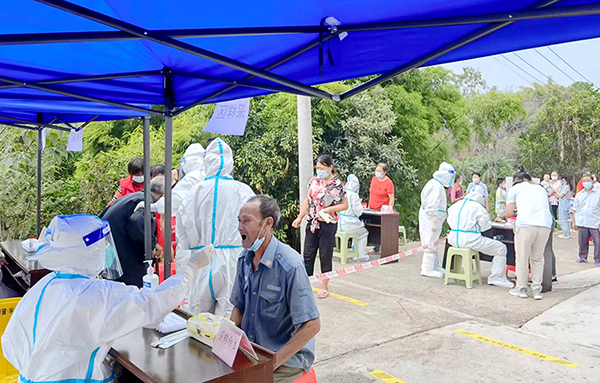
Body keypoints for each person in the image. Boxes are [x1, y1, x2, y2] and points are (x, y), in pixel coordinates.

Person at [2, 214, 213, 383]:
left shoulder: (46, 284)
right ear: (89, 251)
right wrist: (190, 269)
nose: (106, 251)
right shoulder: (97, 294)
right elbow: (154, 304)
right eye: (103, 246)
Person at [232, 196, 320, 383]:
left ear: (268, 224)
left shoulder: (290, 265)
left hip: (285, 361)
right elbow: (238, 308)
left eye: (246, 221)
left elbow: (312, 325)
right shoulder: (244, 260)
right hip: (253, 353)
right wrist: (228, 342)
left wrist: (272, 363)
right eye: (239, 221)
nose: (240, 227)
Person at [178, 138, 255, 317]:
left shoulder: (195, 191)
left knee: (198, 319)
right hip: (232, 262)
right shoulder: (243, 190)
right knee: (229, 320)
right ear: (230, 162)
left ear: (206, 161)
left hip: (201, 260)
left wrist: (190, 245)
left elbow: (183, 228)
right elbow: (255, 228)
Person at [292, 155, 348, 299]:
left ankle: (324, 286)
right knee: (308, 254)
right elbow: (307, 200)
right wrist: (300, 217)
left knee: (325, 255)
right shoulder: (314, 181)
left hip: (327, 223)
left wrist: (329, 210)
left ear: (330, 168)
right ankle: (306, 284)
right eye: (318, 168)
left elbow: (344, 205)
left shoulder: (337, 184)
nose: (319, 171)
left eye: (322, 168)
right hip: (312, 222)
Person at [100, 176, 165, 287]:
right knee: (130, 288)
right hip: (123, 252)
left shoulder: (132, 197)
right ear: (163, 196)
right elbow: (137, 221)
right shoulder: (145, 202)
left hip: (110, 247)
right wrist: (152, 244)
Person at [151, 143, 207, 265]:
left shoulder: (191, 178)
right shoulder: (215, 178)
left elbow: (170, 203)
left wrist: (151, 206)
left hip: (192, 241)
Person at [447, 190, 514, 288]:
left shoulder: (455, 206)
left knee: (474, 246)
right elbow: (485, 226)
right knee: (501, 248)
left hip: (453, 239)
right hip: (470, 240)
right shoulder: (477, 207)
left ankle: (466, 270)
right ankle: (497, 278)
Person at [505, 172, 552, 300]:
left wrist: (505, 215)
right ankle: (537, 289)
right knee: (537, 259)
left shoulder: (515, 189)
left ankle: (521, 288)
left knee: (522, 258)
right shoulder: (540, 189)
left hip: (526, 225)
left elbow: (509, 213)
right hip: (545, 225)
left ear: (516, 181)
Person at [419, 162, 455, 278]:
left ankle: (434, 266)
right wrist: (434, 221)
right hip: (431, 219)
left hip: (434, 219)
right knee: (429, 243)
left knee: (433, 243)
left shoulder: (436, 184)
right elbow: (432, 206)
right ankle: (427, 269)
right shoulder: (435, 186)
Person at [339, 174, 369, 262]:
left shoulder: (341, 192)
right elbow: (359, 212)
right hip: (350, 223)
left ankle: (355, 252)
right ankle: (360, 255)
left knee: (358, 231)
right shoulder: (353, 195)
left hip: (340, 223)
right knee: (363, 233)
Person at [572, 176, 600, 265]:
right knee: (582, 241)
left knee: (598, 242)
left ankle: (598, 259)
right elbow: (575, 209)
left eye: (588, 180)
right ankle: (582, 257)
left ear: (592, 181)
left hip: (595, 222)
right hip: (582, 221)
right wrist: (574, 222)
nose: (586, 182)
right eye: (584, 181)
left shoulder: (598, 193)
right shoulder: (580, 194)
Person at [558, 175, 573, 239]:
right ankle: (567, 232)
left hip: (564, 203)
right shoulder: (566, 186)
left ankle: (566, 233)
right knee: (566, 218)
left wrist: (555, 190)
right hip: (564, 203)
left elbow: (561, 195)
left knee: (564, 218)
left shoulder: (566, 187)